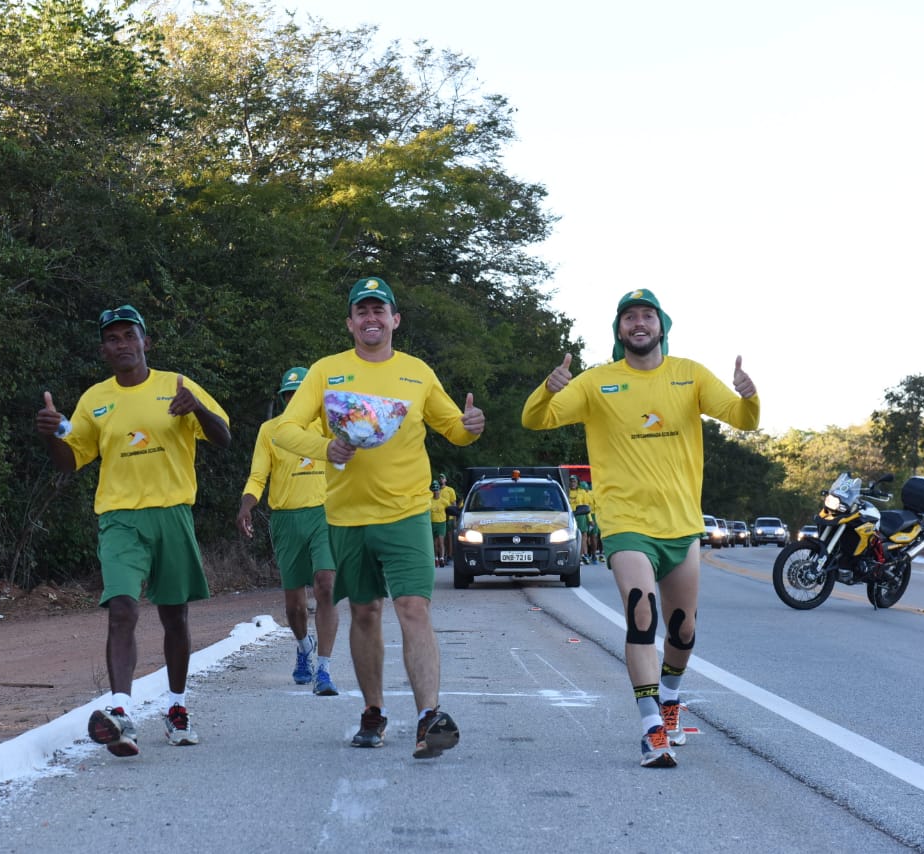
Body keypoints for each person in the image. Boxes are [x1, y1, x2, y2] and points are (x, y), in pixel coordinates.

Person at [521, 288, 758, 768]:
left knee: (683, 629)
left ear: (661, 325)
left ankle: (669, 697)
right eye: (629, 317)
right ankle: (651, 727)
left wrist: (749, 396)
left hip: (681, 525)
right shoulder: (597, 382)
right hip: (626, 523)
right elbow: (534, 419)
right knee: (641, 614)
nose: (639, 323)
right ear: (619, 330)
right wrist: (549, 387)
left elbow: (743, 420)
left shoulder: (690, 374)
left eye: (647, 315)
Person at [273, 275, 485, 759]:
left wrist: (471, 426)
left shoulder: (417, 372)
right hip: (347, 516)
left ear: (395, 319)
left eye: (379, 310)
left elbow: (454, 429)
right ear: (350, 323)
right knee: (365, 611)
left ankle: (429, 716)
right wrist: (325, 447)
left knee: (413, 608)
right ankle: (373, 711)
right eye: (362, 311)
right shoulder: (326, 371)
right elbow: (284, 429)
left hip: (406, 511)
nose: (371, 318)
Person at [36, 303, 231, 758]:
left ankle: (177, 707)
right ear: (103, 350)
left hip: (173, 513)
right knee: (122, 608)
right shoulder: (95, 400)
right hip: (120, 518)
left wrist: (198, 408)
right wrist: (50, 434)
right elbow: (71, 461)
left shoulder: (176, 385)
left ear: (146, 341)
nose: (122, 344)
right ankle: (121, 713)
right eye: (112, 338)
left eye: (129, 335)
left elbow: (223, 437)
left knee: (174, 617)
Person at [237, 366, 341, 696]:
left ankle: (324, 669)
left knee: (326, 585)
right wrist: (246, 506)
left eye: (300, 394)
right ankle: (304, 647)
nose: (294, 400)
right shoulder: (271, 431)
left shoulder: (327, 426)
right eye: (288, 395)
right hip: (286, 519)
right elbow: (258, 476)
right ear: (283, 399)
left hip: (324, 515)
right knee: (295, 605)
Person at [567, 475, 593, 563]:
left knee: (582, 536)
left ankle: (582, 555)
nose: (572, 483)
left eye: (574, 481)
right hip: (570, 516)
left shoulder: (582, 492)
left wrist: (590, 519)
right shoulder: (566, 491)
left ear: (577, 482)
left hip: (581, 516)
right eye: (571, 481)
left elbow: (586, 506)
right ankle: (573, 556)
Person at [436, 473, 458, 563]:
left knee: (449, 538)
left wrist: (455, 519)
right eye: (440, 478)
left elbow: (454, 504)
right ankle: (441, 555)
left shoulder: (450, 490)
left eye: (442, 478)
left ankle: (449, 555)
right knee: (441, 538)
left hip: (450, 518)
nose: (441, 479)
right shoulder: (436, 490)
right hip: (440, 517)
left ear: (445, 480)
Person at [429, 481, 448, 568]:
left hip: (441, 523)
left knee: (441, 542)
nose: (435, 492)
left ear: (439, 491)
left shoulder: (444, 501)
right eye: (434, 490)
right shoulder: (429, 501)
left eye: (437, 490)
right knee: (434, 543)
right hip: (432, 523)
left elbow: (449, 509)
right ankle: (436, 558)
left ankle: (442, 559)